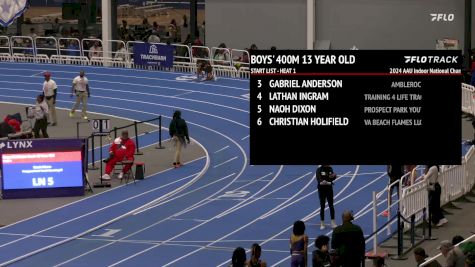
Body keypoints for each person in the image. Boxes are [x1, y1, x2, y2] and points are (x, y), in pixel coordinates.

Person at [316, 165, 337, 230]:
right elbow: (319, 179)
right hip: (322, 190)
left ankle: (333, 222)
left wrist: (334, 177)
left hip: (329, 189)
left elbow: (331, 178)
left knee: (331, 205)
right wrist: (323, 181)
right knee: (322, 206)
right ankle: (322, 223)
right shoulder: (319, 169)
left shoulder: (330, 168)